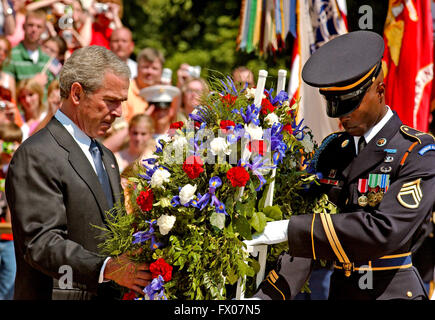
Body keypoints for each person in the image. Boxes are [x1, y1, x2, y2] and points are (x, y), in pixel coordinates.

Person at [245, 31, 435, 300]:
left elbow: (383, 231)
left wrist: (290, 228)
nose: (341, 115)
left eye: (350, 104)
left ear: (379, 91)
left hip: (390, 293)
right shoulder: (334, 150)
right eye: (333, 104)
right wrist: (262, 299)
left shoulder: (417, 151)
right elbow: (307, 242)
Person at [5, 45, 152, 300]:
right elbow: (41, 244)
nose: (118, 112)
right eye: (110, 101)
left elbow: (114, 234)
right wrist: (106, 268)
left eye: (122, 102)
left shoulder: (105, 156)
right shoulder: (37, 154)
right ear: (76, 94)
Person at [3, 9, 55, 89]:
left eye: (39, 26)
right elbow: (8, 94)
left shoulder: (47, 59)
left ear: (44, 30)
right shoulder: (11, 56)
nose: (34, 29)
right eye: (30, 25)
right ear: (23, 26)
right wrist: (33, 83)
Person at [0, 121, 21, 300]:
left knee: (9, 287)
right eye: (7, 142)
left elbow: (11, 214)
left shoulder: (18, 172)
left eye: (15, 143)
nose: (11, 148)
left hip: (10, 239)